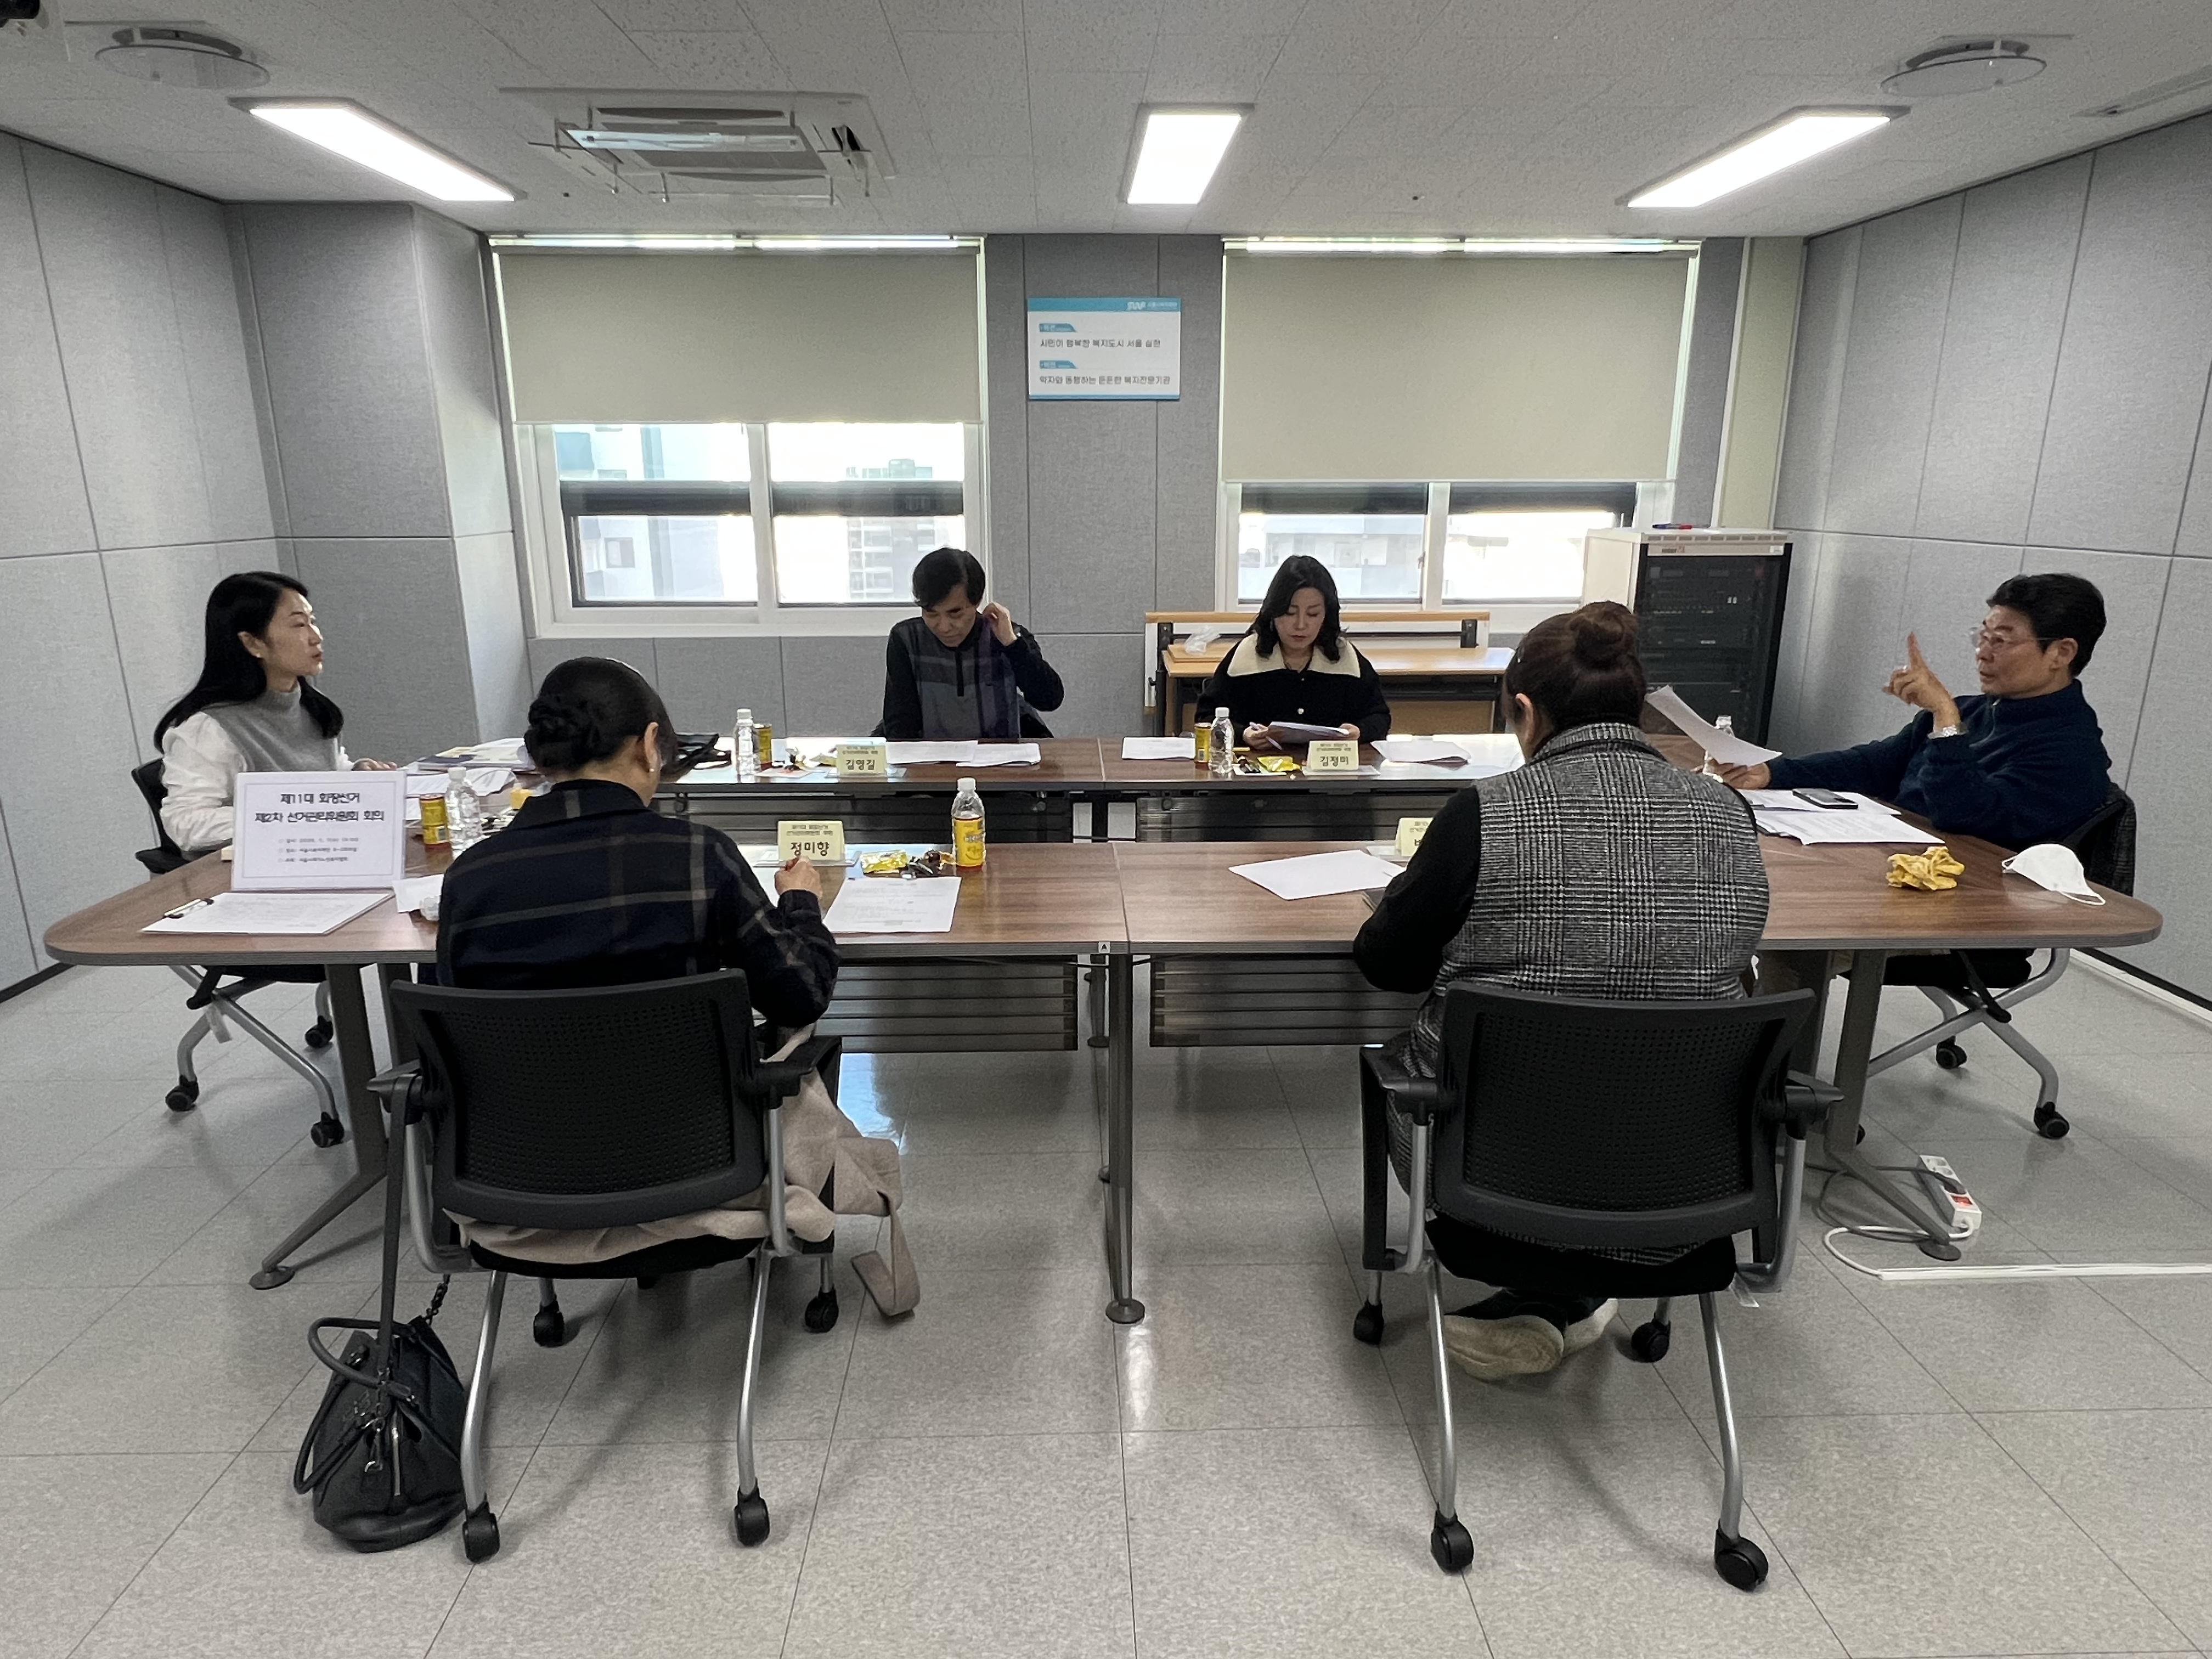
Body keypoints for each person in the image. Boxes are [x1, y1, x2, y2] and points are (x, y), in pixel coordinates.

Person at [1352, 602, 1769, 1382]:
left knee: (1422, 1069)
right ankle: (1569, 1300)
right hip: (1683, 1182)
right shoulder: (1729, 816)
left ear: (1525, 710)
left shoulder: (1484, 815)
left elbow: (1388, 964)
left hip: (1486, 1178)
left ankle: (1550, 1294)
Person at [438, 657, 837, 1024]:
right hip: (682, 1080)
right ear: (648, 744)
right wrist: (801, 901)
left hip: (522, 1082)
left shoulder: (470, 876)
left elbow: (451, 1023)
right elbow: (801, 997)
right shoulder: (700, 856)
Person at [1720, 573, 2111, 850]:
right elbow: (1874, 765)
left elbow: (1964, 816)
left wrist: (1944, 716)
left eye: (2001, 641)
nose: (1982, 652)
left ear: (2061, 653)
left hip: (1971, 908)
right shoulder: (1972, 711)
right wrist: (1771, 773)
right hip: (1895, 863)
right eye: (1983, 636)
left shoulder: (2072, 751)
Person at [154, 571, 396, 856]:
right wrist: (290, 815)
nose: (316, 637)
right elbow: (187, 822)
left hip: (316, 856)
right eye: (298, 625)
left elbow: (314, 774)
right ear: (253, 643)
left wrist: (353, 774)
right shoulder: (210, 728)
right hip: (242, 871)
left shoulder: (308, 705)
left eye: (312, 621)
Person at [1195, 554, 1391, 746]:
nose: (1300, 625)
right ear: (1273, 612)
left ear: (1326, 615)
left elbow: (1379, 717)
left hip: (1327, 765)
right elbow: (1206, 717)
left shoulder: (1345, 658)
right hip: (1262, 765)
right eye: (1290, 613)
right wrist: (1243, 734)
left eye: (1313, 614)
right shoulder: (1247, 655)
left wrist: (1360, 732)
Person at [876, 548, 1064, 742]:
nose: (944, 627)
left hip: (998, 753)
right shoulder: (907, 639)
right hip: (931, 756)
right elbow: (900, 723)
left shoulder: (1004, 635)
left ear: (977, 602)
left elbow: (1050, 699)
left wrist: (1012, 645)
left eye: (955, 613)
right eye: (931, 614)